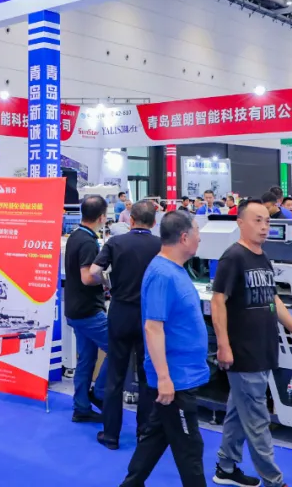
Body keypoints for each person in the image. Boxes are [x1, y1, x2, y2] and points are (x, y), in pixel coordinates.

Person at [212, 200, 292, 487]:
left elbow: (273, 298)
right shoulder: (233, 257)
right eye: (257, 220)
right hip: (244, 352)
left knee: (238, 411)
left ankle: (226, 467)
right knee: (257, 420)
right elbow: (218, 301)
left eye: (267, 221)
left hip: (263, 348)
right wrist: (223, 345)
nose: (264, 226)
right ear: (240, 223)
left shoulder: (262, 257)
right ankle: (273, 480)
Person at [117, 211, 209, 487]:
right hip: (175, 378)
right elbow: (153, 328)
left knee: (156, 437)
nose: (200, 238)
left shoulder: (175, 270)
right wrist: (165, 378)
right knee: (190, 448)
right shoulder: (162, 274)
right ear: (184, 237)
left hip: (181, 373)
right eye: (196, 232)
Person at [90, 199, 161, 450]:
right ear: (154, 222)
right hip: (148, 315)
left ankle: (111, 435)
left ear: (131, 220)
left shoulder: (115, 242)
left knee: (115, 375)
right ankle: (144, 432)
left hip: (120, 311)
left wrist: (109, 284)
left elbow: (94, 271)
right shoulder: (160, 245)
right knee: (147, 374)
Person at [65, 194, 110, 423]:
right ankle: (99, 393)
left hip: (75, 308)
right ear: (101, 217)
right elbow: (87, 277)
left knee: (86, 358)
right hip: (88, 311)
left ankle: (81, 407)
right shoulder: (88, 242)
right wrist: (108, 280)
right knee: (118, 348)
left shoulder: (76, 236)